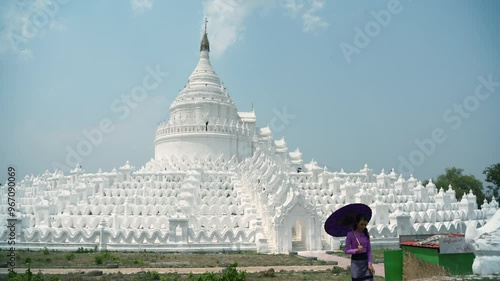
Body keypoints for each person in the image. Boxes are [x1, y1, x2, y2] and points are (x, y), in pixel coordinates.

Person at [344, 214, 375, 281]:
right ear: (357, 223)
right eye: (361, 224)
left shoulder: (366, 234)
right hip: (356, 263)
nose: (363, 227)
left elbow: (368, 250)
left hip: (365, 262)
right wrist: (355, 250)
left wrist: (370, 263)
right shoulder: (350, 235)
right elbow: (346, 250)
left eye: (365, 225)